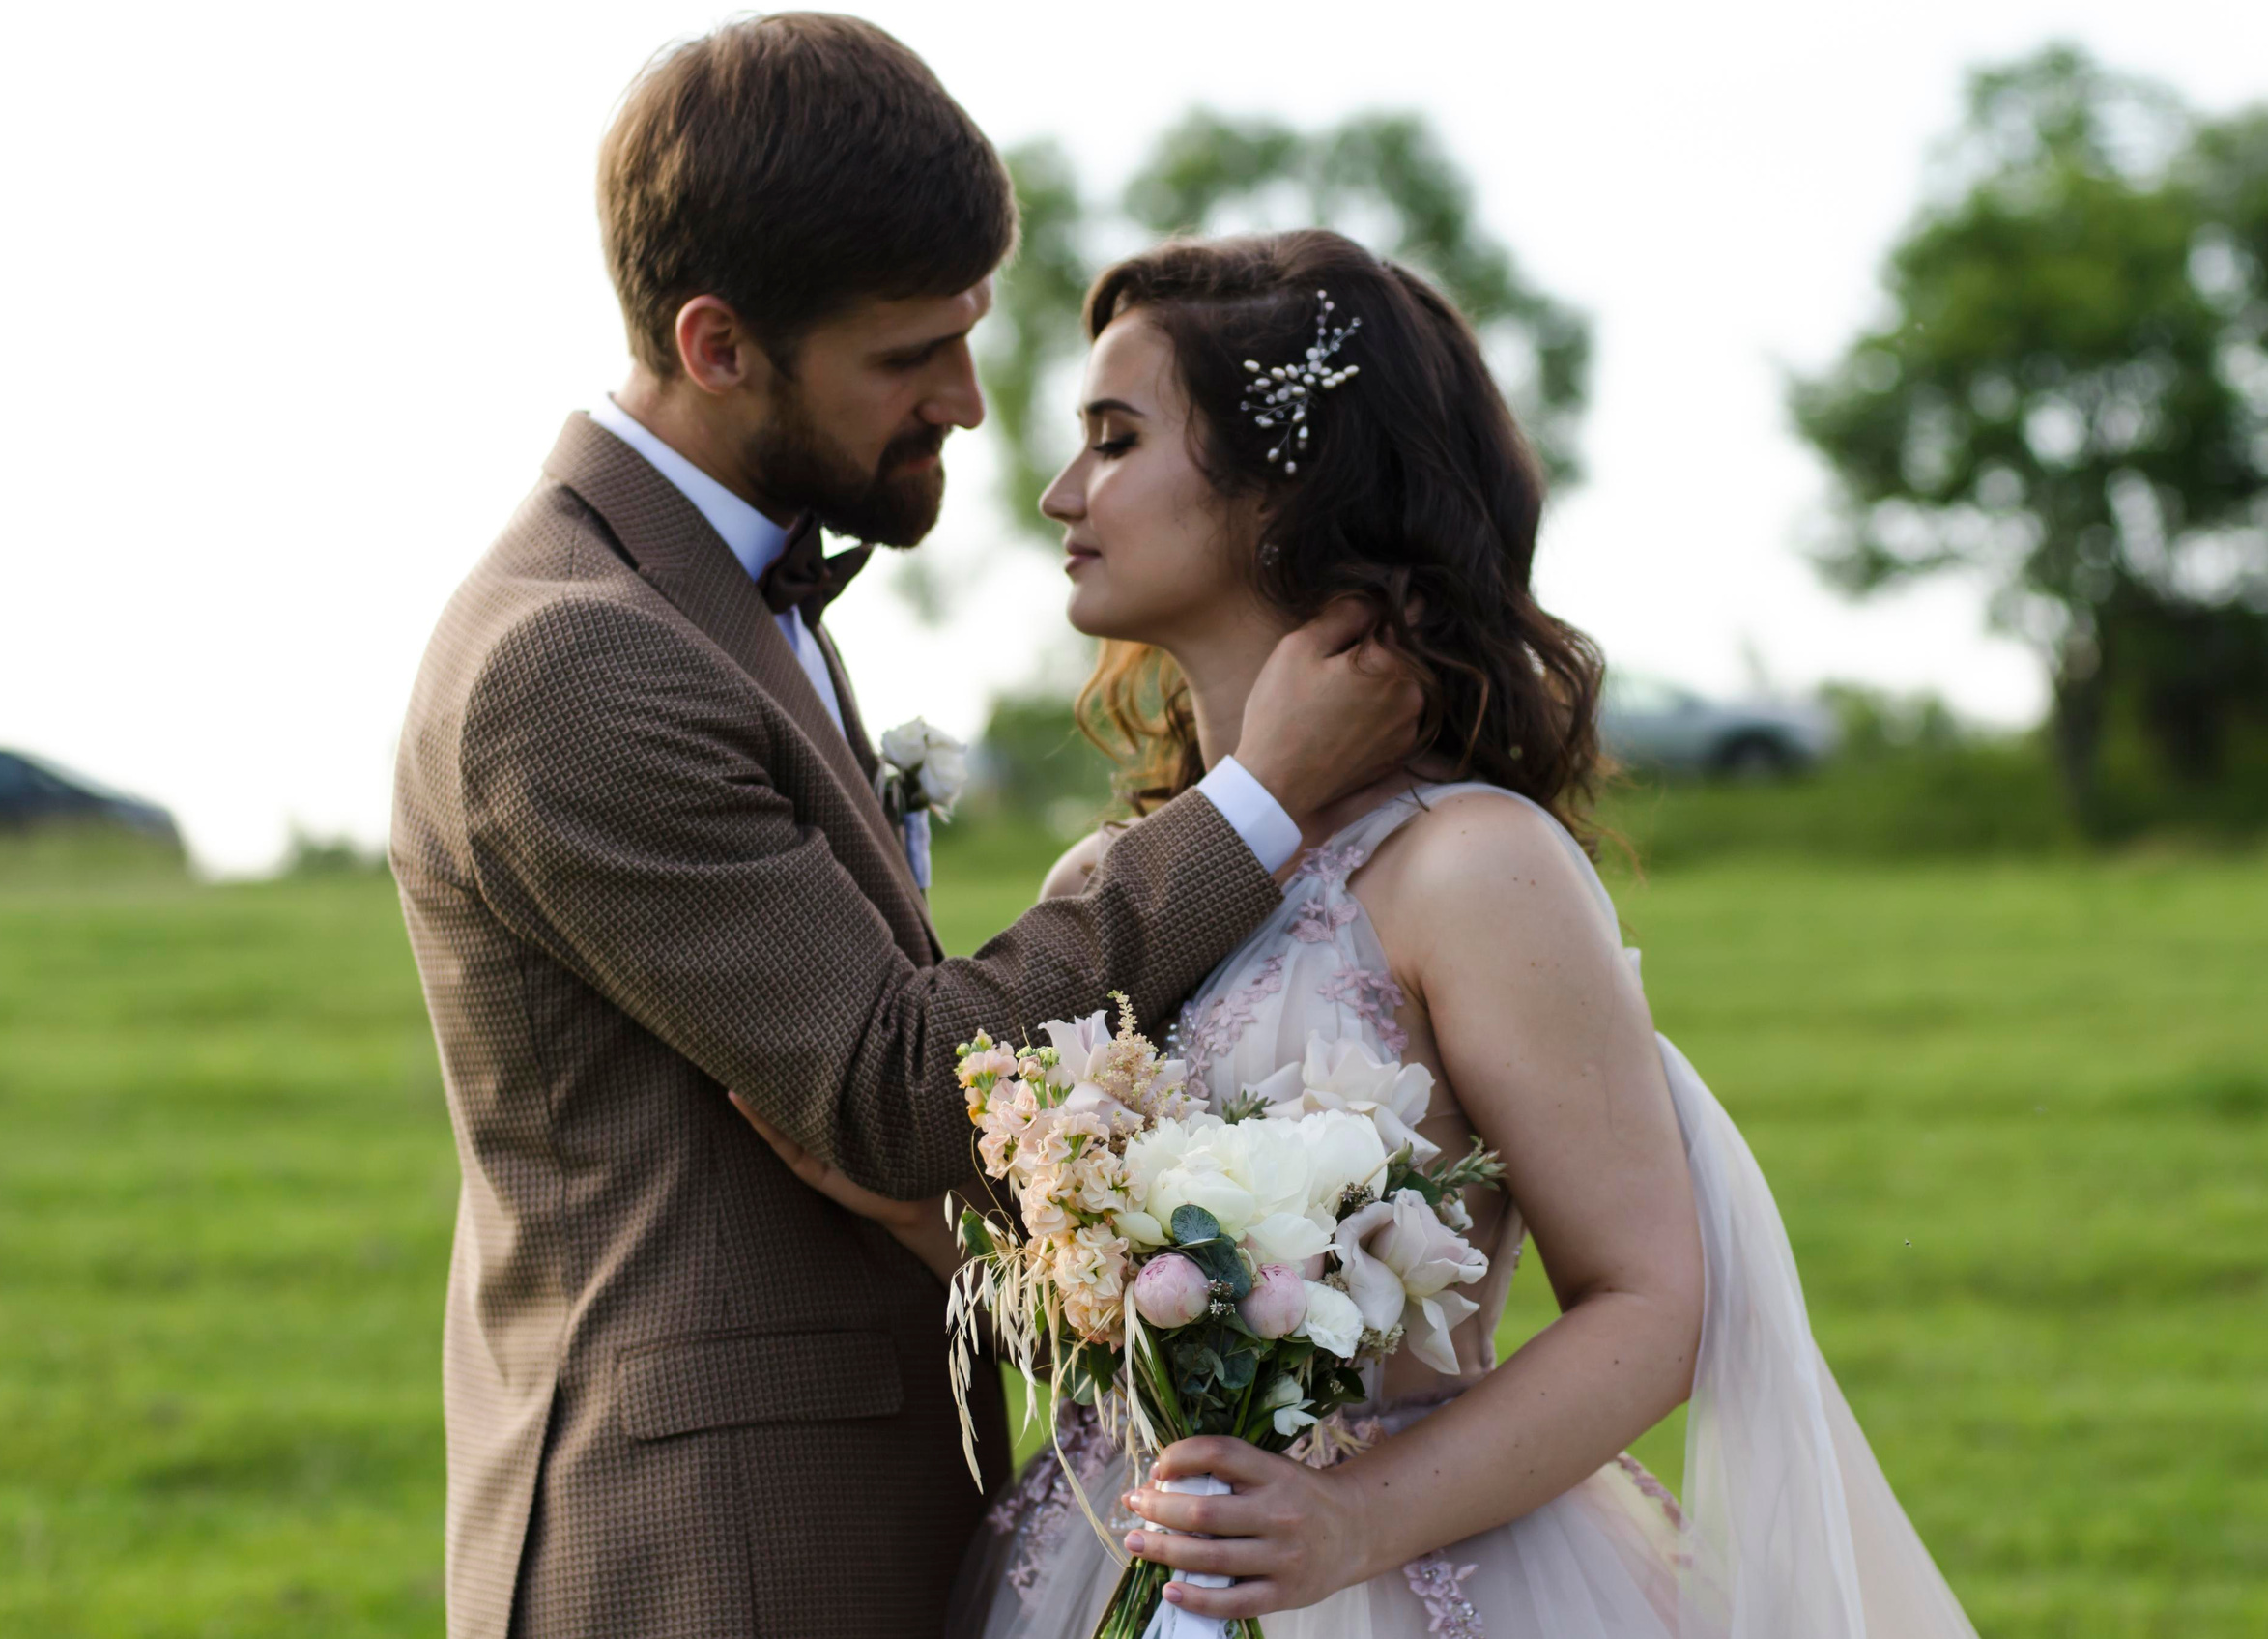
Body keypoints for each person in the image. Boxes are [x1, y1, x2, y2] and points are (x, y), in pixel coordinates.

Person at [746, 229, 1982, 1638]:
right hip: (1109, 1564)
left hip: (1408, 1571)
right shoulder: (1107, 878)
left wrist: (1348, 1523)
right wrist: (916, 1206)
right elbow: (1115, 1320)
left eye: (1117, 438)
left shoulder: (1471, 867)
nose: (1060, 492)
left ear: (1282, 489)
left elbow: (1651, 1301)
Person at [389, 19, 1421, 1639]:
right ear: (718, 345)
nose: (967, 401)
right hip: (713, 1562)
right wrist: (1255, 801)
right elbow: (892, 1089)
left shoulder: (722, 593)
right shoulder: (575, 658)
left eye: (968, 332)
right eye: (907, 356)